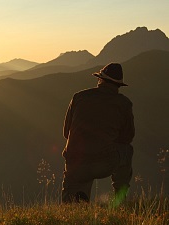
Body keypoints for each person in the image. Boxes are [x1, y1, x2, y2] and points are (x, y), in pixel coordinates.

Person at [61, 62, 135, 206]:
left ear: (100, 80)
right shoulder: (124, 103)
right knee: (127, 150)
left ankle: (77, 203)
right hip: (104, 162)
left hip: (76, 163)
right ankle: (119, 201)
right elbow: (128, 137)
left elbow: (66, 133)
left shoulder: (79, 97)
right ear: (118, 85)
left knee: (74, 202)